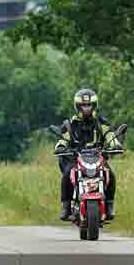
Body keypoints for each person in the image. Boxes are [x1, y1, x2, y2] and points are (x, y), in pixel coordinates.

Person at [54, 88, 122, 222]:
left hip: (98, 157)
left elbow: (109, 134)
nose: (86, 108)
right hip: (76, 158)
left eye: (89, 105)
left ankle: (109, 204)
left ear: (94, 105)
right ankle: (66, 206)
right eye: (84, 105)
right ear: (78, 106)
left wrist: (115, 144)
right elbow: (63, 138)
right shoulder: (70, 124)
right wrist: (61, 146)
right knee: (67, 175)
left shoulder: (101, 122)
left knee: (111, 175)